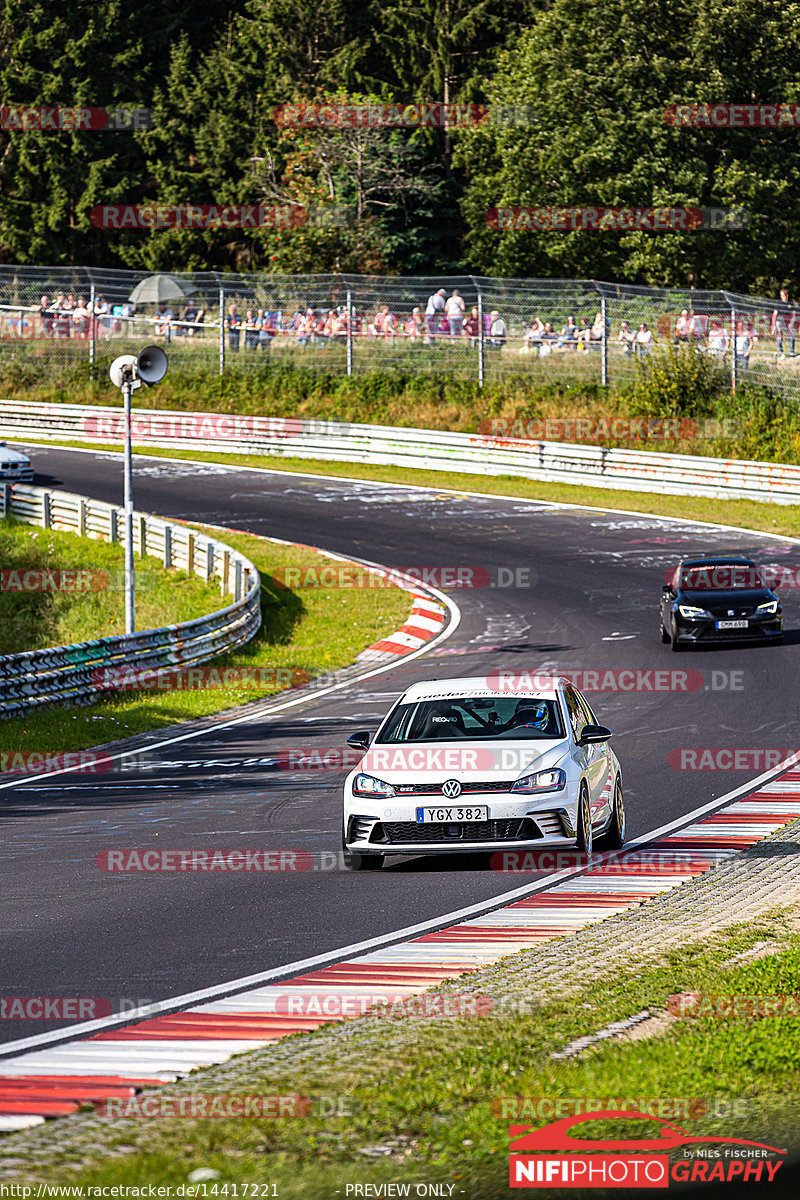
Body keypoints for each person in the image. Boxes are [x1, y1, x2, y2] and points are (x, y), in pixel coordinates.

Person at [771, 287, 796, 358]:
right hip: (779, 322)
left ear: (787, 295)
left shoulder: (791, 304)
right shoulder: (778, 303)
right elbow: (774, 314)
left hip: (787, 323)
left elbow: (794, 315)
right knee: (779, 338)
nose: (782, 297)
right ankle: (782, 354)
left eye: (783, 295)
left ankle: (792, 353)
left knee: (792, 337)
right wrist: (773, 326)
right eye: (781, 295)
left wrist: (791, 323)